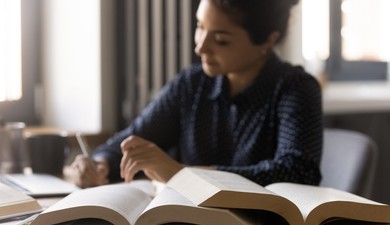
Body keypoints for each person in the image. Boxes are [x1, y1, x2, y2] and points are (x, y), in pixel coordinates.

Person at [69, 0, 323, 188]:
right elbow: (135, 137)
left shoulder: (296, 88)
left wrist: (183, 175)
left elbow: (298, 172)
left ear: (268, 40)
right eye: (200, 27)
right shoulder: (191, 83)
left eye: (221, 40)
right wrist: (100, 164)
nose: (200, 46)